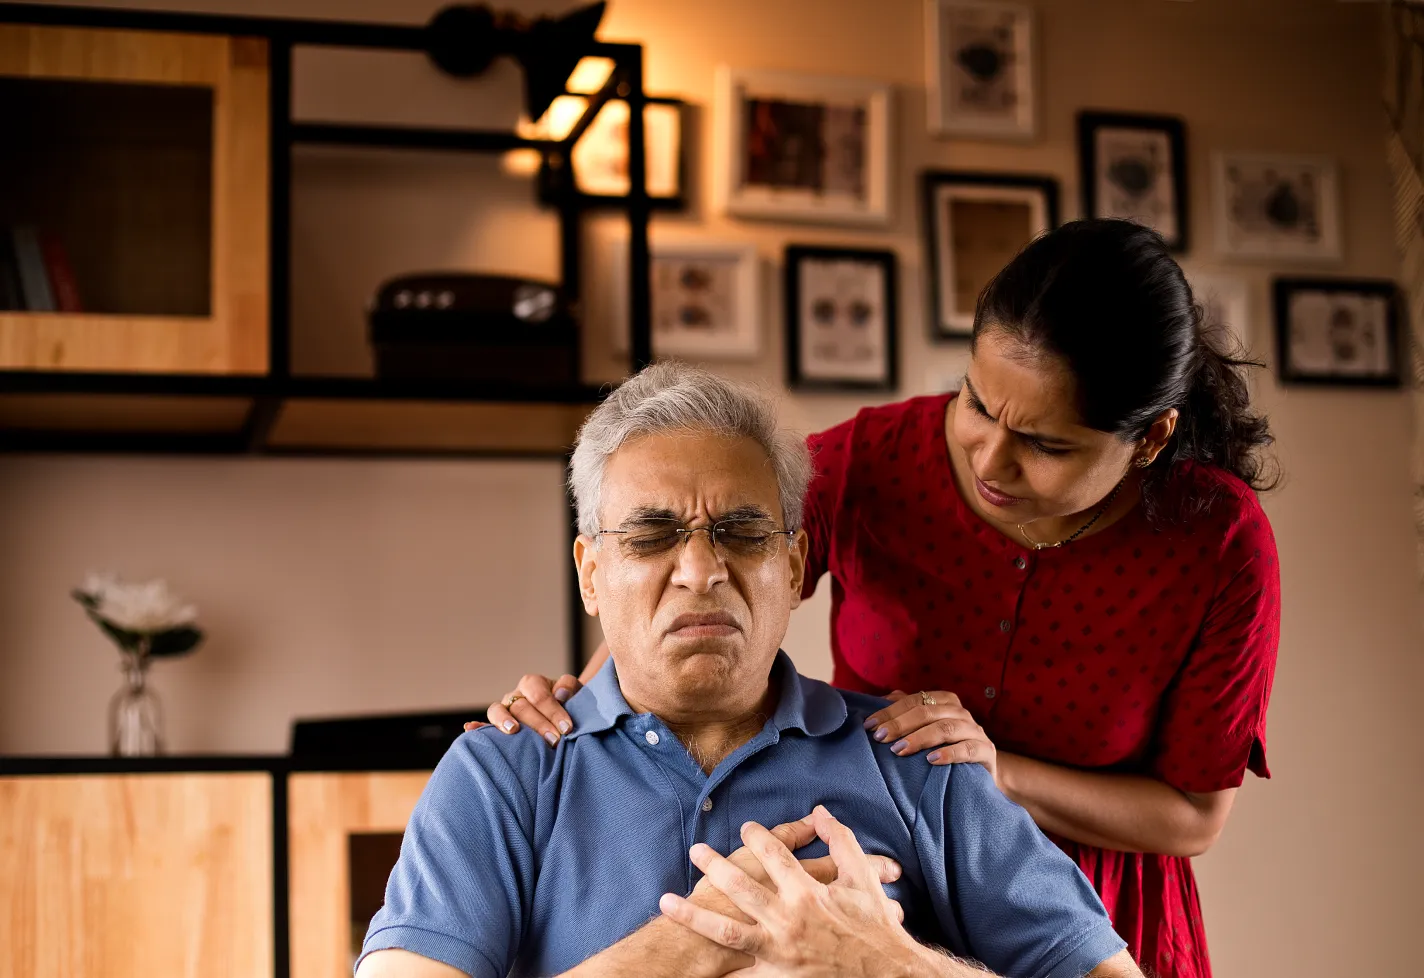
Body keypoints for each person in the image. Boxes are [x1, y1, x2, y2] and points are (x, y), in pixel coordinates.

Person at [487, 219, 1281, 978]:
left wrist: (991, 771)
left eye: (1044, 444)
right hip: (890, 898)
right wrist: (577, 713)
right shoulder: (872, 462)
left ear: (1150, 438)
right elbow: (706, 577)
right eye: (974, 402)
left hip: (1094, 916)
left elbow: (1192, 816)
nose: (991, 462)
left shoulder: (1217, 543)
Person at [356, 363, 1141, 978]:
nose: (701, 569)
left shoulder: (922, 765)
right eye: (652, 534)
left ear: (796, 566)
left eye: (741, 530)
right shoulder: (502, 775)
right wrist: (696, 942)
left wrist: (890, 967)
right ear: (590, 573)